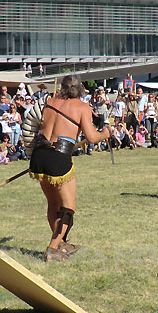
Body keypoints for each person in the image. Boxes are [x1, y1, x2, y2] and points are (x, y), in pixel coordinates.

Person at [24, 75, 110, 261]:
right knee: (68, 208)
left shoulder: (50, 102)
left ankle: (61, 242)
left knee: (53, 204)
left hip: (40, 154)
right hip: (59, 157)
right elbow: (92, 137)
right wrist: (106, 133)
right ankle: (53, 248)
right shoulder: (81, 107)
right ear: (79, 89)